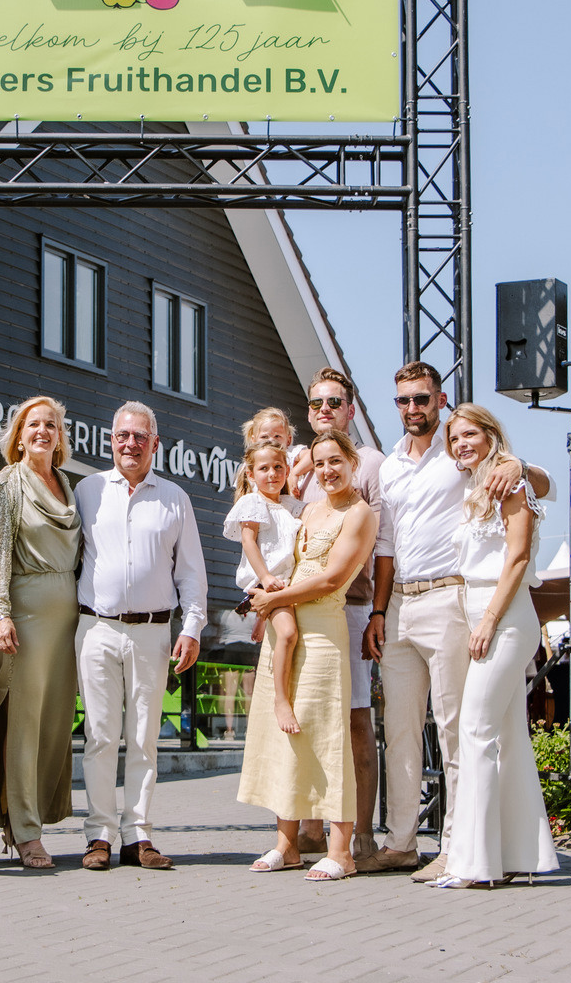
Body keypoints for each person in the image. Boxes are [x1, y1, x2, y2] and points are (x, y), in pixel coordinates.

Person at [361, 362, 552, 881]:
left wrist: (520, 464)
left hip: (450, 599)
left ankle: (455, 846)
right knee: (400, 732)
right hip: (399, 606)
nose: (412, 408)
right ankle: (400, 843)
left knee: (454, 729)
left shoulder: (461, 455)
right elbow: (386, 545)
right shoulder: (390, 465)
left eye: (421, 398)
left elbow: (542, 484)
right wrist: (378, 610)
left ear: (440, 400)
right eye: (403, 400)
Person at [74, 400, 208, 872]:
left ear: (155, 443)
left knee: (144, 737)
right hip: (96, 627)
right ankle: (98, 835)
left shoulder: (175, 497)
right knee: (99, 736)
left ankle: (137, 835)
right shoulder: (87, 490)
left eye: (140, 436)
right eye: (122, 436)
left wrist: (192, 627)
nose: (130, 444)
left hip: (153, 632)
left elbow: (191, 572)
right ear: (111, 440)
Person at [239, 430, 377, 880]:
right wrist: (267, 601)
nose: (328, 470)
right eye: (320, 463)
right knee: (284, 735)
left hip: (322, 631)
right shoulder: (308, 508)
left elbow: (332, 578)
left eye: (336, 461)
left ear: (352, 461)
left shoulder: (360, 513)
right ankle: (288, 844)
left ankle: (341, 851)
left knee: (326, 735)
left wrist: (273, 600)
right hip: (285, 625)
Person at [434, 404, 558, 888]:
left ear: (490, 435)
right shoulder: (475, 488)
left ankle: (474, 863)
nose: (461, 444)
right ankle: (516, 855)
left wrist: (487, 620)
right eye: (454, 438)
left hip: (504, 617)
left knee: (475, 730)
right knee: (506, 735)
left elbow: (518, 557)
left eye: (470, 434)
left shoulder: (513, 482)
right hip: (480, 613)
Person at [0, 396, 82, 869]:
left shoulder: (68, 485)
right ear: (19, 435)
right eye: (33, 424)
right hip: (24, 618)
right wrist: (1, 613)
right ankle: (24, 831)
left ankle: (29, 817)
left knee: (54, 726)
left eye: (51, 424)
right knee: (24, 725)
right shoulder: (7, 483)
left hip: (67, 623)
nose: (42, 431)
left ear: (60, 436)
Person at [292, 367, 383, 863]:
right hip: (304, 608)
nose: (324, 410)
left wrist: (378, 611)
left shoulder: (369, 463)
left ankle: (361, 833)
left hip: (349, 606)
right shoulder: (304, 465)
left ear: (350, 409)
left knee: (354, 720)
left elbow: (385, 546)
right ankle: (310, 829)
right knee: (308, 718)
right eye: (316, 404)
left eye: (333, 402)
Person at [223, 440, 305, 733]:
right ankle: (281, 700)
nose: (272, 474)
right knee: (288, 633)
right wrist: (266, 577)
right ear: (250, 473)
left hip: (287, 583)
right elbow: (249, 542)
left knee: (287, 634)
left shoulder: (291, 506)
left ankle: (262, 620)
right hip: (267, 582)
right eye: (264, 468)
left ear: (288, 470)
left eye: (278, 467)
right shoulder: (253, 502)